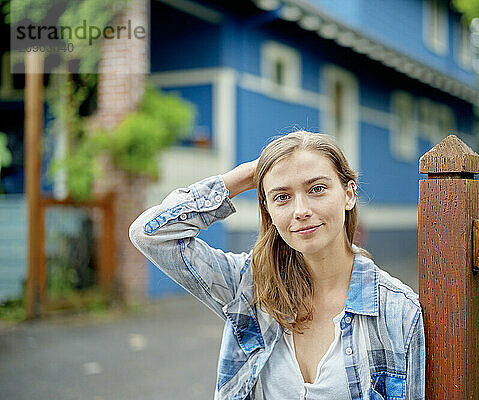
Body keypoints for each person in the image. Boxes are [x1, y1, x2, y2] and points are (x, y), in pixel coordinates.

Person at [129, 130, 425, 400]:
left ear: (349, 194)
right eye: (282, 197)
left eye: (317, 189)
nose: (300, 211)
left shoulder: (397, 311)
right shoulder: (249, 285)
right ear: (268, 210)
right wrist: (246, 176)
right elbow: (150, 234)